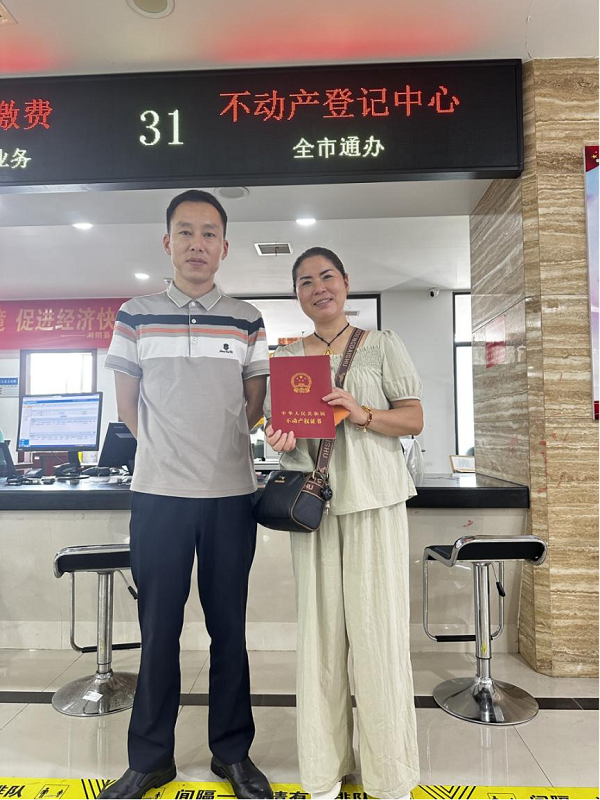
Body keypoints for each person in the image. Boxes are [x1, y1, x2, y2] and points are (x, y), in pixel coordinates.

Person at [100, 190, 273, 800]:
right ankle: (151, 758)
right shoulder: (135, 314)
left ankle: (233, 753)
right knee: (158, 631)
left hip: (231, 496)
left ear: (224, 246)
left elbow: (254, 405)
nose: (197, 244)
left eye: (209, 233)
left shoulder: (247, 318)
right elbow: (127, 405)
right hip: (158, 496)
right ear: (167, 241)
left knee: (229, 629)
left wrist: (217, 447)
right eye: (186, 231)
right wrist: (168, 453)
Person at [264, 247, 423, 800]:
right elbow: (284, 435)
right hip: (312, 509)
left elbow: (414, 418)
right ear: (297, 295)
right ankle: (323, 773)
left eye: (326, 276)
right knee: (320, 642)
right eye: (305, 281)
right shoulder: (287, 357)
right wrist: (276, 438)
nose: (318, 288)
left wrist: (363, 413)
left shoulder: (382, 344)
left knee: (379, 636)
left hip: (375, 501)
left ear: (346, 283)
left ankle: (389, 775)